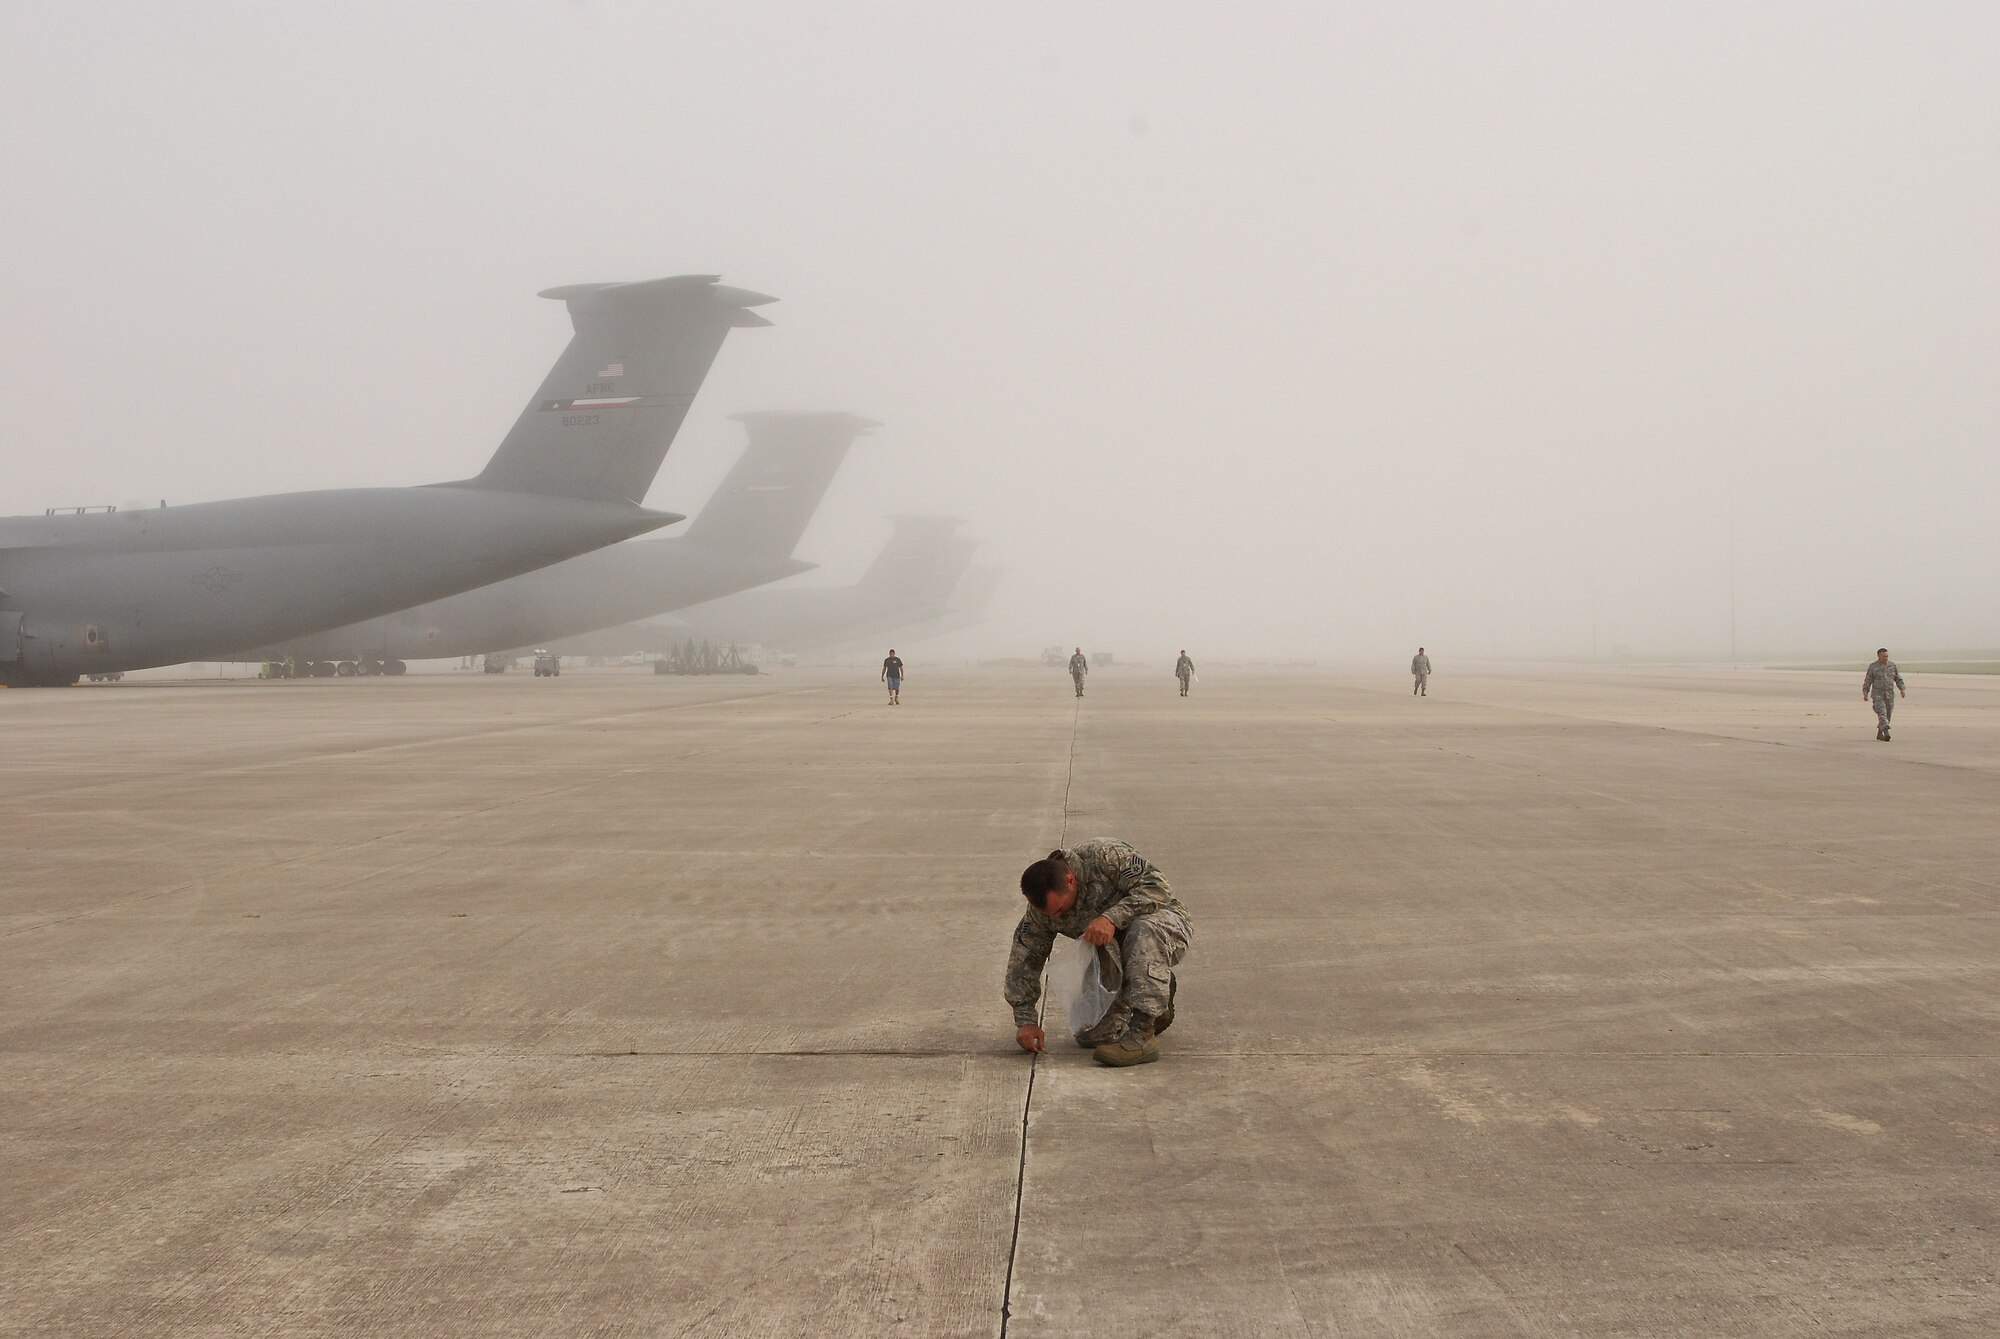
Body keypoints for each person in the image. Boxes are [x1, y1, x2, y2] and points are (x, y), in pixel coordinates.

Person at [1005, 839, 1192, 1067]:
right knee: (1091, 1034)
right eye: (1049, 914)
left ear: (1070, 880)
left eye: (1060, 910)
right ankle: (1157, 1001)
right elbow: (1026, 956)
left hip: (1163, 925)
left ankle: (1142, 1032)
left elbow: (1157, 888)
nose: (1055, 918)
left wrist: (1111, 917)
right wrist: (1025, 1020)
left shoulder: (1105, 855)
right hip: (1113, 953)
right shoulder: (1043, 911)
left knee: (1142, 930)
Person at [1863, 647, 1906, 741]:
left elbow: (1898, 678)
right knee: (1882, 713)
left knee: (1888, 715)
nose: (1886, 658)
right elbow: (1868, 680)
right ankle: (1886, 732)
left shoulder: (1892, 666)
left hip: (1889, 694)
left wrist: (1902, 689)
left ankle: (1879, 733)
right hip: (1878, 694)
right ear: (1878, 656)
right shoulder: (1873, 667)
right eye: (1884, 656)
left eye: (1887, 656)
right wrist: (1865, 693)